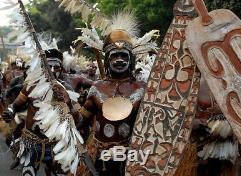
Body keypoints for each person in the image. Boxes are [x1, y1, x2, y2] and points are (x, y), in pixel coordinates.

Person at [76, 14, 146, 176]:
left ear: (131, 60)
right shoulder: (97, 88)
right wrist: (64, 103)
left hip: (132, 160)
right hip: (99, 159)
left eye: (124, 55)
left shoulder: (142, 88)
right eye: (115, 55)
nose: (119, 60)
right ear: (107, 60)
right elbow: (80, 121)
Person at [1, 49, 74, 176]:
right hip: (32, 141)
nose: (51, 70)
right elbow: (16, 104)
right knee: (28, 173)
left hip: (57, 143)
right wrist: (10, 111)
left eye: (55, 67)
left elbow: (77, 117)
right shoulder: (31, 86)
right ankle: (16, 155)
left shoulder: (66, 89)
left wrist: (68, 102)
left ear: (61, 69)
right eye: (48, 66)